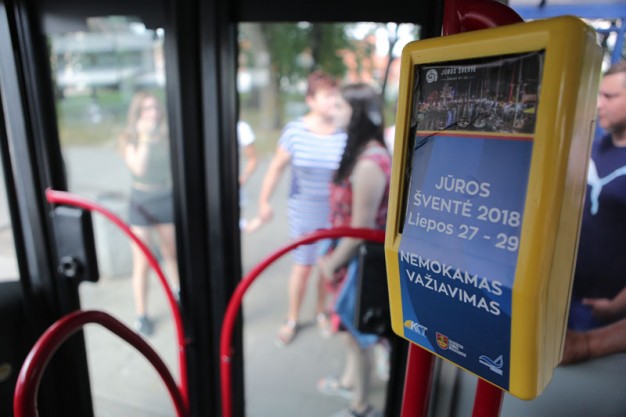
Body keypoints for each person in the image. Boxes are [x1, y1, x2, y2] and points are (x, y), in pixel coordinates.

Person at [249, 71, 347, 346]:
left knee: (326, 266)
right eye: (327, 95)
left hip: (334, 213)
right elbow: (276, 168)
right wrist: (264, 202)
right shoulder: (295, 131)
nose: (333, 100)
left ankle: (320, 312)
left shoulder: (343, 132)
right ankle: (292, 318)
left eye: (335, 95)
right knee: (303, 266)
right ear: (310, 100)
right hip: (304, 211)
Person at [316, 83, 391, 417]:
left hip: (357, 262)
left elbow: (361, 229)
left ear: (358, 114)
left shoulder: (369, 163)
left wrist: (332, 263)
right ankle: (350, 382)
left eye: (340, 107)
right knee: (348, 329)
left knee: (356, 333)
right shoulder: (364, 154)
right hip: (351, 259)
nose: (333, 112)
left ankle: (361, 405)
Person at [565, 61, 626, 348]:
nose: (599, 104)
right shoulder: (593, 148)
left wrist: (617, 306)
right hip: (566, 297)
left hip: (604, 313)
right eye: (599, 95)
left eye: (609, 96)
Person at [119, 90, 179, 336]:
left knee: (171, 253)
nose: (152, 113)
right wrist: (145, 137)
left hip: (165, 198)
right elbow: (139, 169)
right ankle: (142, 314)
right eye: (146, 109)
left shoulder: (167, 135)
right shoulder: (130, 138)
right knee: (142, 262)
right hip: (141, 202)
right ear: (137, 113)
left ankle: (178, 295)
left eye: (155, 107)